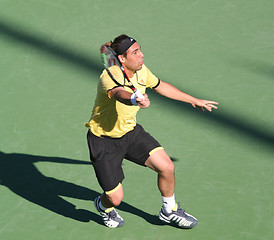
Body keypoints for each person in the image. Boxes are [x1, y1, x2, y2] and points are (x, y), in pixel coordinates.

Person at [85, 34, 218, 229]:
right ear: (122, 58)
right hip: (104, 141)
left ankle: (169, 210)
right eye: (135, 52)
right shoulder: (110, 76)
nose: (142, 55)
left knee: (166, 167)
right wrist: (133, 99)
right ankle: (102, 206)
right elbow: (118, 93)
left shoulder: (141, 71)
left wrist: (193, 100)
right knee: (115, 199)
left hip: (130, 133)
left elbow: (160, 86)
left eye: (140, 50)